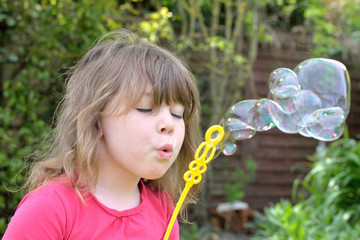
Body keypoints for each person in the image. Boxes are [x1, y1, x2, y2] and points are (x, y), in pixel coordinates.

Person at [3, 29, 201, 239]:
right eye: (145, 108)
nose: (169, 124)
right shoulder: (51, 207)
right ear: (96, 119)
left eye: (178, 114)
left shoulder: (163, 207)